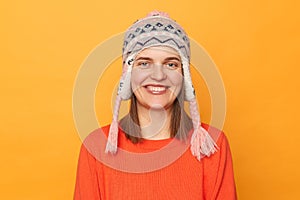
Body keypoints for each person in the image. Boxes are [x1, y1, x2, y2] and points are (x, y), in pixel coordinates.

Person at [74, 11, 237, 199]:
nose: (159, 76)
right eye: (144, 63)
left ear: (184, 77)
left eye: (171, 64)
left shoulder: (212, 146)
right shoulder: (96, 147)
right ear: (128, 75)